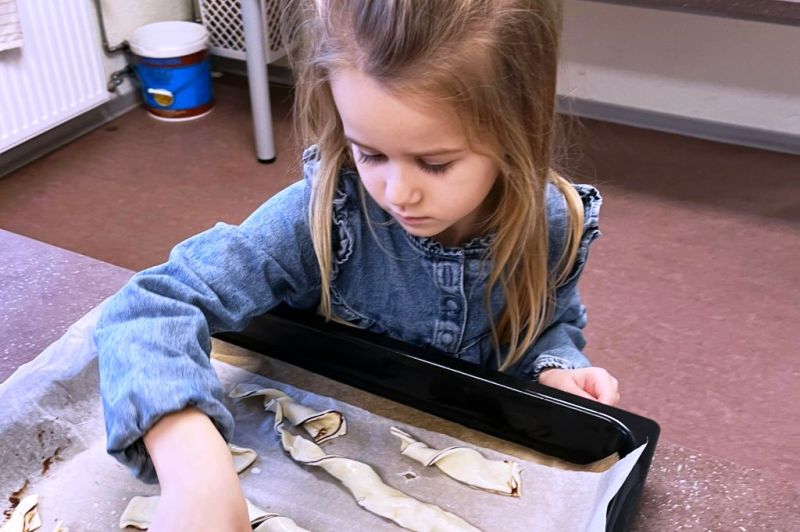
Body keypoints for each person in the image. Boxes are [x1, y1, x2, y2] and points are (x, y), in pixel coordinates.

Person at [94, 0, 620, 529]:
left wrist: (556, 368)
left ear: (517, 128)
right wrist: (194, 470)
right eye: (369, 153)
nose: (398, 192)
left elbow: (548, 325)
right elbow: (150, 309)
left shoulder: (553, 223)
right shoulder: (322, 216)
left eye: (434, 163)